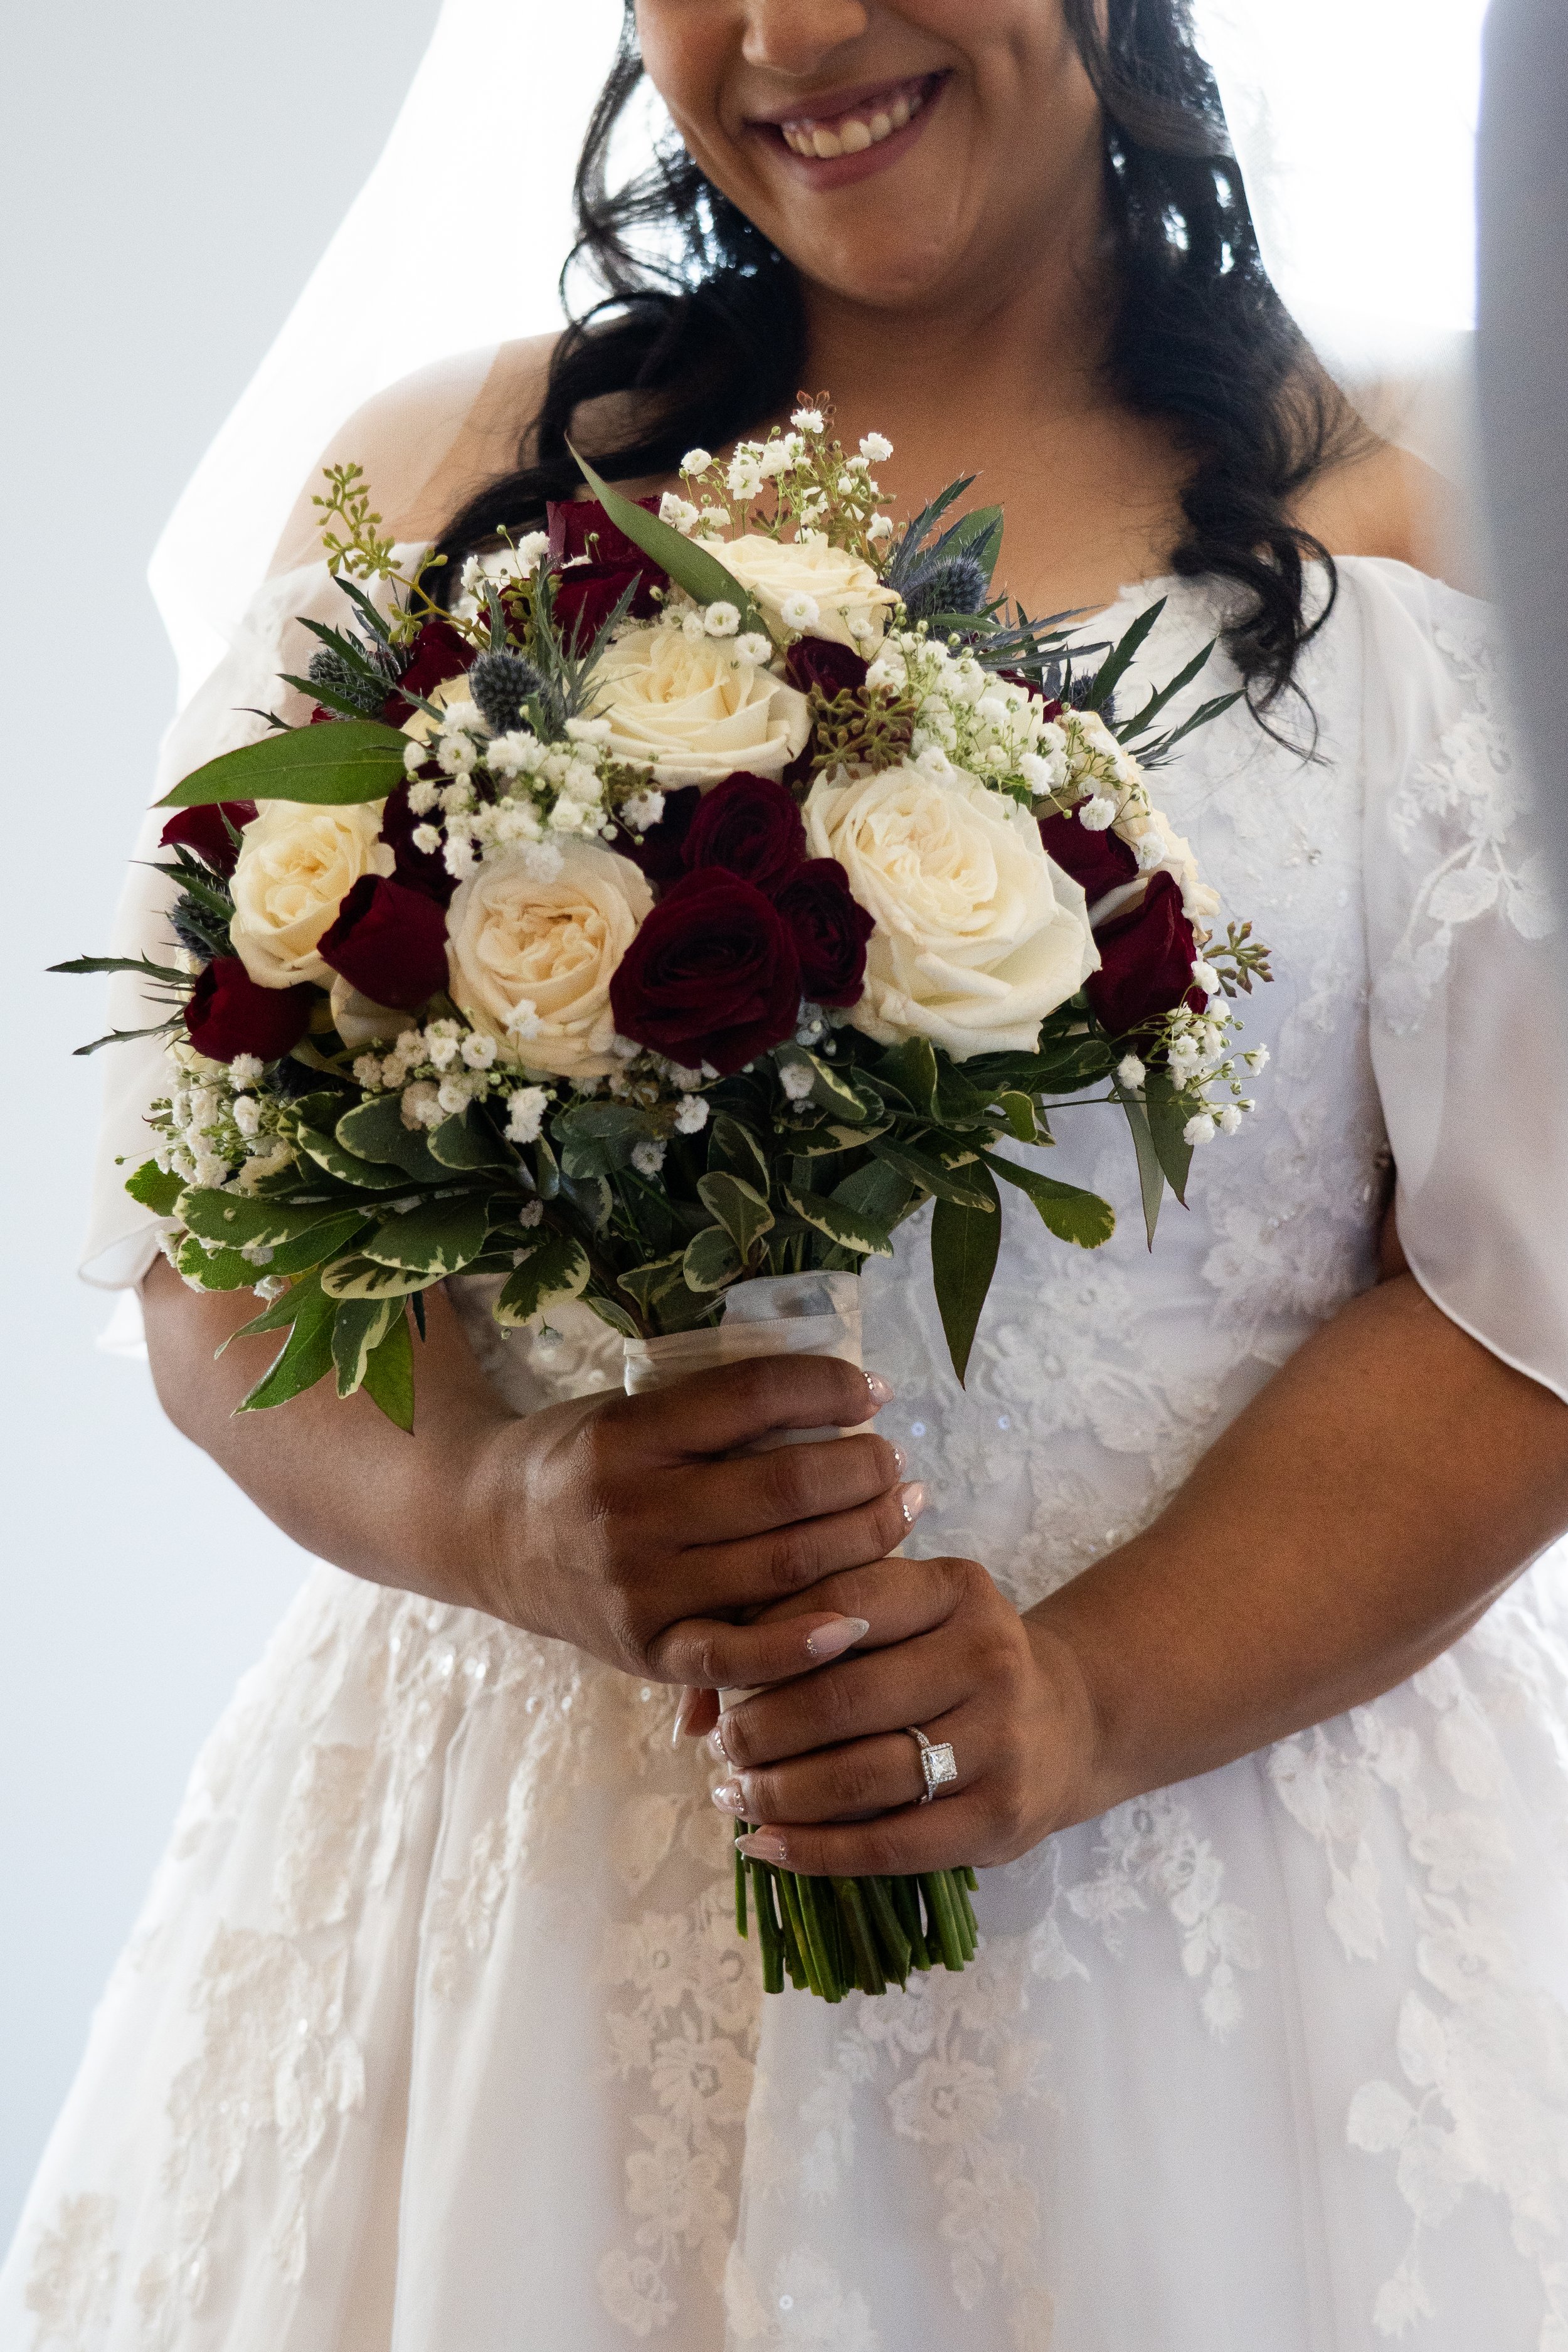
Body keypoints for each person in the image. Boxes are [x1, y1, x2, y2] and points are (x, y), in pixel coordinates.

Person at [8, 4, 1568, 2346]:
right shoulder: (438, 491)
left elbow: (1518, 1299)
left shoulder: (1435, 516)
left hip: (1223, 1899)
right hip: (537, 1900)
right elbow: (207, 1222)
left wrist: (1083, 1702)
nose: (801, 32)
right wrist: (490, 1511)